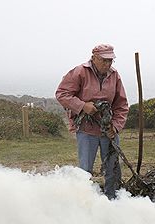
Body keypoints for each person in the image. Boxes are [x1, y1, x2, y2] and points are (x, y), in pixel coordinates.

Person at [55, 44, 129, 199]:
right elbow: (62, 94)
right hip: (87, 130)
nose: (108, 64)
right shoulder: (80, 72)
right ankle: (84, 200)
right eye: (104, 60)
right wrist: (83, 106)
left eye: (110, 60)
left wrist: (115, 127)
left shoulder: (114, 75)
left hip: (108, 129)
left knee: (112, 168)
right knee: (85, 170)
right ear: (94, 58)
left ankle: (113, 200)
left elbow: (121, 105)